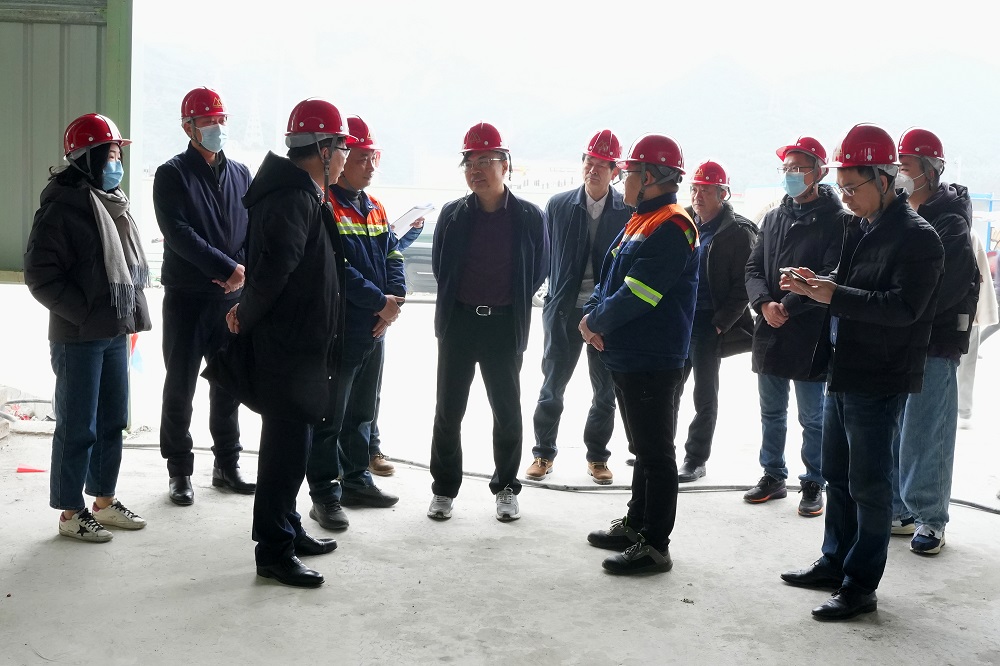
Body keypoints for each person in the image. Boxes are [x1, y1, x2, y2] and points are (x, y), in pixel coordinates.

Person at [780, 123, 944, 621]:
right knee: (836, 474)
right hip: (843, 368)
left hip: (880, 375)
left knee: (870, 486)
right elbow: (850, 285)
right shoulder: (859, 226)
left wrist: (837, 294)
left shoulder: (918, 237)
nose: (846, 197)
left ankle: (860, 584)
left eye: (853, 187)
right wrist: (817, 285)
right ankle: (834, 561)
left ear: (884, 178)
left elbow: (904, 308)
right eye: (842, 187)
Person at [208, 98, 350, 587]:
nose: (345, 157)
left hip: (303, 346)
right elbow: (273, 273)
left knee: (295, 443)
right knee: (284, 454)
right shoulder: (292, 198)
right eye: (342, 148)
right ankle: (273, 550)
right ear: (323, 150)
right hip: (290, 348)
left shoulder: (301, 193)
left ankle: (288, 526)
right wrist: (243, 314)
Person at [24, 113, 151, 542]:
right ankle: (70, 512)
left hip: (113, 330)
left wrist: (119, 317)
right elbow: (40, 276)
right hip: (78, 336)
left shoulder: (112, 202)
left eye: (118, 155)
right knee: (78, 426)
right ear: (88, 158)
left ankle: (103, 501)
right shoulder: (61, 207)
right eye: (110, 155)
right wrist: (84, 313)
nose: (117, 163)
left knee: (112, 420)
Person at [582, 134, 699, 574]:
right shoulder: (641, 219)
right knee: (642, 449)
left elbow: (639, 293)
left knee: (655, 452)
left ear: (650, 177)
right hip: (629, 353)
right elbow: (609, 279)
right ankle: (636, 525)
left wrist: (596, 322)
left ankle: (654, 545)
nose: (622, 178)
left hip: (653, 356)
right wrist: (592, 316)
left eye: (629, 172)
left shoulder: (673, 225)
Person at [426, 122, 547, 522]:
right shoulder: (453, 214)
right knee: (448, 412)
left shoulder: (529, 216)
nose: (475, 170)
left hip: (504, 327)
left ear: (505, 165)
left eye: (484, 161)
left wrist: (505, 302)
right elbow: (441, 268)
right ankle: (443, 489)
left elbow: (539, 269)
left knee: (507, 413)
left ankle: (506, 487)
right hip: (459, 324)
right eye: (469, 163)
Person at [154, 87, 253, 506]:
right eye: (208, 121)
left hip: (231, 300)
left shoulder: (242, 174)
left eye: (221, 120)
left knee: (228, 385)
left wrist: (241, 272)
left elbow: (254, 228)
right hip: (188, 299)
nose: (217, 127)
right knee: (180, 386)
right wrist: (225, 268)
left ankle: (227, 465)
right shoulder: (172, 174)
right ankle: (179, 471)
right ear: (188, 127)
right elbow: (179, 234)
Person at [307, 115, 406, 529]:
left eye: (373, 158)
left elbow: (393, 254)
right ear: (341, 158)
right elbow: (335, 269)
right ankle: (324, 494)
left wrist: (394, 301)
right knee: (330, 416)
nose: (370, 166)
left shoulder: (375, 207)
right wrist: (379, 304)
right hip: (341, 328)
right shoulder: (324, 205)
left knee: (363, 410)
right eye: (362, 157)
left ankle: (356, 479)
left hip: (374, 327)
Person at [743, 137, 847, 516]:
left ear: (819, 172)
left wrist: (786, 306)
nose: (791, 175)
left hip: (809, 331)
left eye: (799, 168)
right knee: (771, 411)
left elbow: (832, 273)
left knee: (813, 417)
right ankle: (772, 474)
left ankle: (814, 481)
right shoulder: (773, 217)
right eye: (786, 169)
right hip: (769, 328)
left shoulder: (837, 220)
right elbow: (753, 267)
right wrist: (764, 304)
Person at [890, 127, 979, 555]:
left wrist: (901, 312)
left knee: (927, 431)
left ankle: (930, 517)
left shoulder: (950, 222)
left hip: (935, 340)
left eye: (906, 167)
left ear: (930, 171)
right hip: (897, 335)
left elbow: (947, 286)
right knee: (894, 428)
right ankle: (899, 510)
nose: (899, 175)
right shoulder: (896, 213)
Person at [526, 130, 629, 485]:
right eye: (589, 162)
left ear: (615, 171)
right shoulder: (558, 206)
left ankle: (597, 458)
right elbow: (544, 256)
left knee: (605, 391)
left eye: (602, 164)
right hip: (563, 311)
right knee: (552, 386)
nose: (593, 170)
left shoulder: (627, 211)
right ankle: (543, 453)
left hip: (605, 316)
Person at [676, 160, 756, 482]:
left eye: (706, 190)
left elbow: (744, 285)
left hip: (708, 323)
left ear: (723, 194)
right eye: (695, 189)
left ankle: (696, 459)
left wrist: (721, 323)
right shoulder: (682, 221)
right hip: (678, 320)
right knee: (668, 387)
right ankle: (658, 449)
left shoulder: (737, 232)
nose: (698, 196)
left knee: (704, 395)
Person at [956, 228, 998, 429]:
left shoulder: (969, 234)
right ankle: (963, 410)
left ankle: (964, 409)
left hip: (964, 312)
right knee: (965, 362)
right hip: (966, 311)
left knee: (964, 361)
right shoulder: (969, 234)